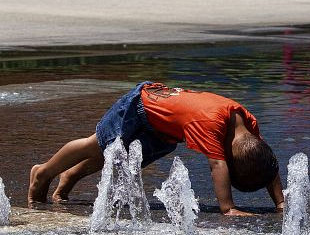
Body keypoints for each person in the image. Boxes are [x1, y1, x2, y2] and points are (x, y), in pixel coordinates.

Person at [28, 82, 285, 216]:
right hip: (141, 105)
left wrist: (280, 203)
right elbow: (217, 165)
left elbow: (267, 163)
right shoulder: (211, 126)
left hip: (162, 127)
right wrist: (227, 208)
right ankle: (44, 172)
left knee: (117, 158)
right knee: (97, 143)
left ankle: (69, 176)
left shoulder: (248, 127)